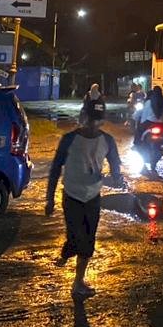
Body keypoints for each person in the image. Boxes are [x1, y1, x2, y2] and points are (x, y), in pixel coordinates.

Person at [45, 104, 121, 298]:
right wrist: (50, 199)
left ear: (102, 121)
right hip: (72, 196)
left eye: (98, 119)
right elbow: (55, 169)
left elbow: (115, 169)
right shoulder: (69, 140)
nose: (93, 124)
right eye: (90, 118)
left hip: (93, 197)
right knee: (75, 236)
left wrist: (116, 178)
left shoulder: (108, 141)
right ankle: (68, 250)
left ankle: (78, 282)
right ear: (83, 117)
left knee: (88, 240)